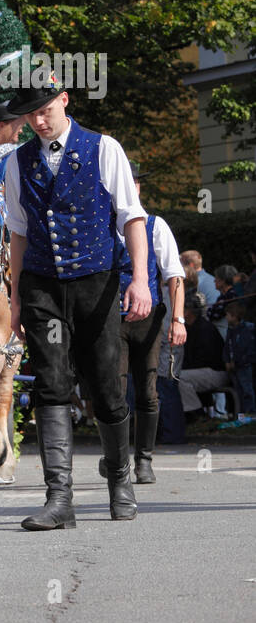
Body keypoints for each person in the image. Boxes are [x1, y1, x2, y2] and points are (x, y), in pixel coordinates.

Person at [3, 72, 151, 529]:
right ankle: (58, 499)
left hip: (97, 282)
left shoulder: (104, 149)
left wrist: (141, 279)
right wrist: (13, 300)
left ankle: (120, 482)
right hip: (43, 285)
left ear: (64, 101)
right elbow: (18, 235)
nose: (39, 121)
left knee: (106, 386)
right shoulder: (15, 162)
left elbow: (132, 217)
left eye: (45, 110)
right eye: (31, 115)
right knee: (49, 383)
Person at [108, 162, 185, 484]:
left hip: (148, 320)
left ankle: (144, 460)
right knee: (114, 391)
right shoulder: (101, 225)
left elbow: (174, 275)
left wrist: (178, 319)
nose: (131, 188)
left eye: (135, 183)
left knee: (148, 392)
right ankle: (118, 459)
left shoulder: (156, 226)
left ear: (138, 188)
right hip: (111, 320)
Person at [178, 291, 229, 420]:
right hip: (204, 370)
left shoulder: (204, 329)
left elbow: (205, 360)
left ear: (188, 311)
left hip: (216, 372)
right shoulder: (189, 327)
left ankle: (196, 414)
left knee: (179, 378)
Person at [222, 299, 255, 421]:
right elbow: (227, 347)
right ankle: (241, 415)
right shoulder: (230, 331)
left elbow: (247, 349)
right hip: (234, 365)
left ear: (234, 316)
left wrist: (238, 361)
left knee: (246, 389)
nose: (226, 317)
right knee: (238, 390)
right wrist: (227, 360)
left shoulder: (246, 330)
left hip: (244, 365)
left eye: (228, 314)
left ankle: (250, 414)